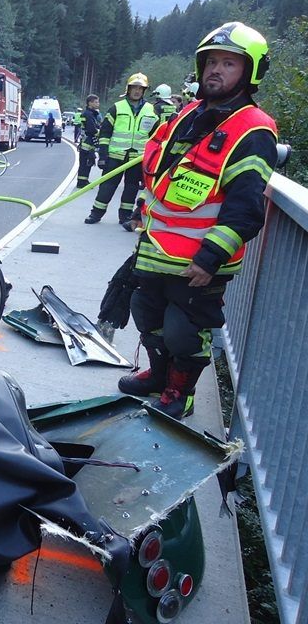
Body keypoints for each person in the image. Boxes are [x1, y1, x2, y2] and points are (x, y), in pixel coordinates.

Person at [118, 22, 278, 419]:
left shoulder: (253, 129)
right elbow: (158, 172)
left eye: (229, 63)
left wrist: (210, 259)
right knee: (147, 315)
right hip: (156, 249)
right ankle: (158, 375)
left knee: (184, 331)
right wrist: (142, 212)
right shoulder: (187, 115)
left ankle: (179, 393)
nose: (216, 71)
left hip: (198, 262)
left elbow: (246, 207)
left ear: (250, 72)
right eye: (211, 62)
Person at [84, 72, 159, 227]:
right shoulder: (117, 108)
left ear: (144, 91)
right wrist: (103, 155)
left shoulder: (151, 111)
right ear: (128, 89)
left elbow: (156, 136)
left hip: (137, 158)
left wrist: (151, 159)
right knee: (107, 186)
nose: (137, 91)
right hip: (115, 156)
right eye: (134, 88)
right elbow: (105, 133)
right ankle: (96, 214)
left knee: (131, 189)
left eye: (140, 88)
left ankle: (125, 217)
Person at [75, 94, 102, 188]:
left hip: (88, 143)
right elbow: (91, 129)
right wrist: (101, 132)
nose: (98, 104)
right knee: (85, 163)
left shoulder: (92, 114)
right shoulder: (88, 114)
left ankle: (84, 180)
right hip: (87, 143)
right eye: (96, 102)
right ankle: (81, 182)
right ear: (90, 103)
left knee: (88, 162)